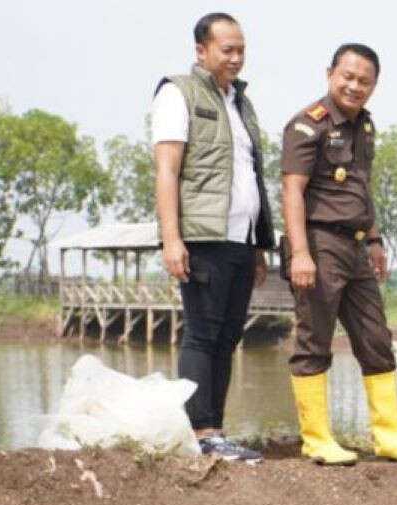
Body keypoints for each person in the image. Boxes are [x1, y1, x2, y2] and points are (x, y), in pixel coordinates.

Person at [282, 43, 397, 464]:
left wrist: (377, 239)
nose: (354, 85)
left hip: (357, 244)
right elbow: (292, 191)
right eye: (347, 76)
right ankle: (317, 438)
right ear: (330, 73)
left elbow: (361, 185)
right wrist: (300, 253)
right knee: (314, 339)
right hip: (320, 242)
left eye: (364, 80)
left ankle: (390, 436)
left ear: (374, 85)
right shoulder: (306, 126)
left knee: (375, 338)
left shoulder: (364, 127)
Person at [153, 12, 274, 462]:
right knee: (202, 333)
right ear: (201, 51)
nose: (236, 58)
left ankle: (215, 431)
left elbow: (251, 176)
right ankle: (201, 433)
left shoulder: (242, 103)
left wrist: (259, 244)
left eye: (241, 49)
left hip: (241, 239)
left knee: (227, 337)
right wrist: (171, 238)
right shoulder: (177, 93)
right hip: (202, 236)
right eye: (227, 49)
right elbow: (167, 169)